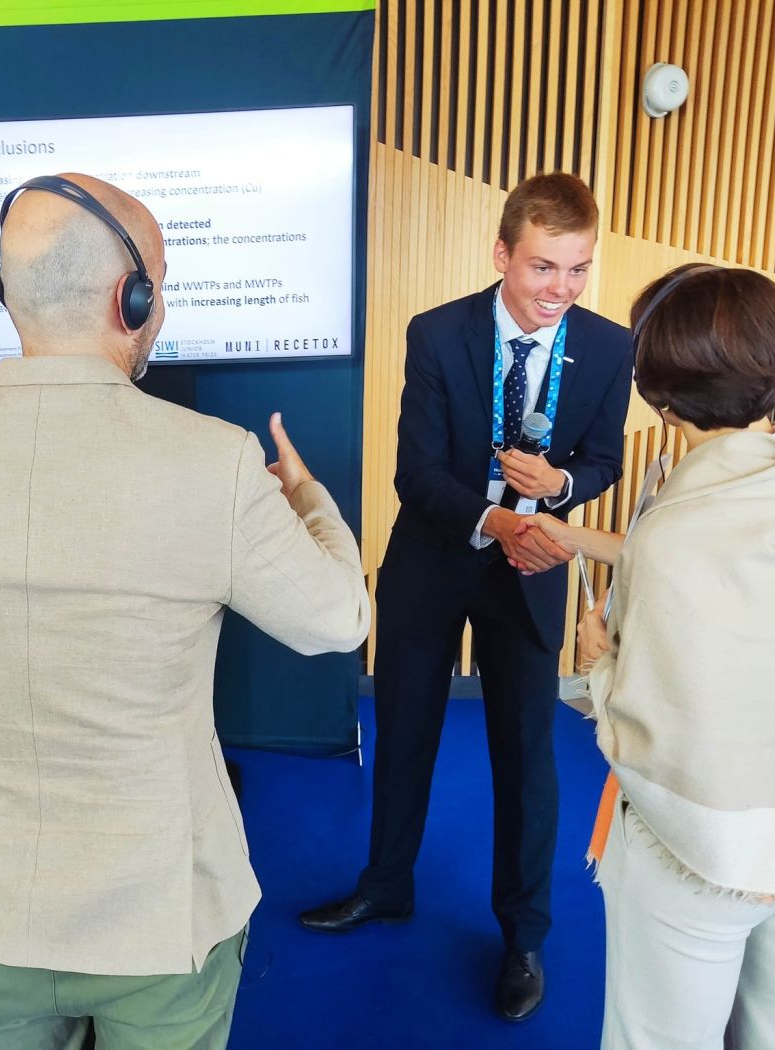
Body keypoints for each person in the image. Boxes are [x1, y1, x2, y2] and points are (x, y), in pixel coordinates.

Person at [0, 172, 370, 1049]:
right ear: (134, 299)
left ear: (7, 294)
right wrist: (309, 500)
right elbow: (339, 619)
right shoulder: (217, 462)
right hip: (159, 913)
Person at [518, 264, 775, 1050]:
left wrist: (599, 661)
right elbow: (727, 568)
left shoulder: (676, 526)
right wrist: (577, 536)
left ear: (657, 392)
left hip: (707, 846)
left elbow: (645, 723)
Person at [299, 172, 633, 1022]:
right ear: (501, 255)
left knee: (526, 757)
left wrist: (561, 486)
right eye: (543, 267)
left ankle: (524, 937)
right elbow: (416, 475)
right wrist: (498, 519)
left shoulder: (608, 347)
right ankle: (386, 886)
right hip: (436, 555)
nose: (560, 289)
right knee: (405, 730)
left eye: (578, 269)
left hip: (534, 567)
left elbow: (604, 460)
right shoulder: (437, 333)